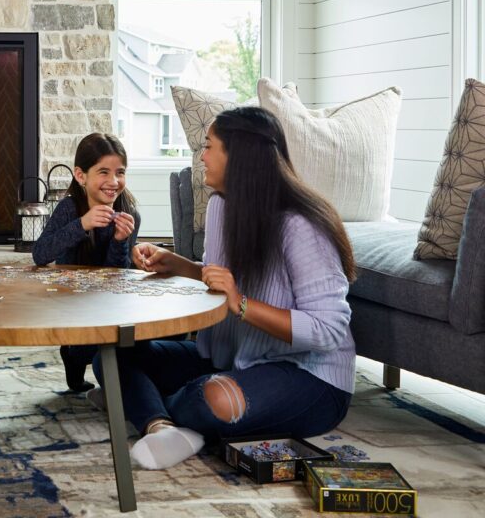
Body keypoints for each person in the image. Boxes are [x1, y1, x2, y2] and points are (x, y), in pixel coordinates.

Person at [92, 106, 357, 470]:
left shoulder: (302, 227)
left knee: (211, 399)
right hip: (233, 360)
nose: (201, 156)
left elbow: (328, 330)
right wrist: (180, 266)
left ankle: (138, 401)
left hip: (310, 378)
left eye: (209, 146)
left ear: (240, 157)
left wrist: (241, 303)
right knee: (110, 354)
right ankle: (160, 424)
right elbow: (222, 279)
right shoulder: (220, 208)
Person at [32, 132, 140, 392]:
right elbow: (40, 254)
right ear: (81, 176)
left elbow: (118, 277)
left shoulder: (129, 214)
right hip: (71, 296)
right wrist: (81, 224)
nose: (113, 181)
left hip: (108, 296)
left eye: (120, 172)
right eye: (103, 172)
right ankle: (74, 354)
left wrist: (120, 240)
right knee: (83, 349)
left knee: (122, 338)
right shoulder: (70, 208)